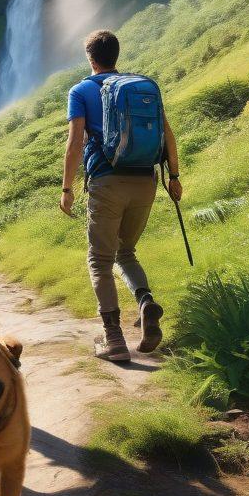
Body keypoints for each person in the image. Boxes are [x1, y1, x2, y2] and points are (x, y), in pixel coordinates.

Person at [59, 30, 182, 363]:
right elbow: (167, 132)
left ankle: (113, 338)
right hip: (145, 179)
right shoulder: (142, 87)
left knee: (100, 258)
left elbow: (73, 144)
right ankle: (145, 302)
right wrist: (174, 176)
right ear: (115, 55)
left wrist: (67, 188)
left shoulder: (81, 90)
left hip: (106, 181)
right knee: (125, 251)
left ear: (90, 58)